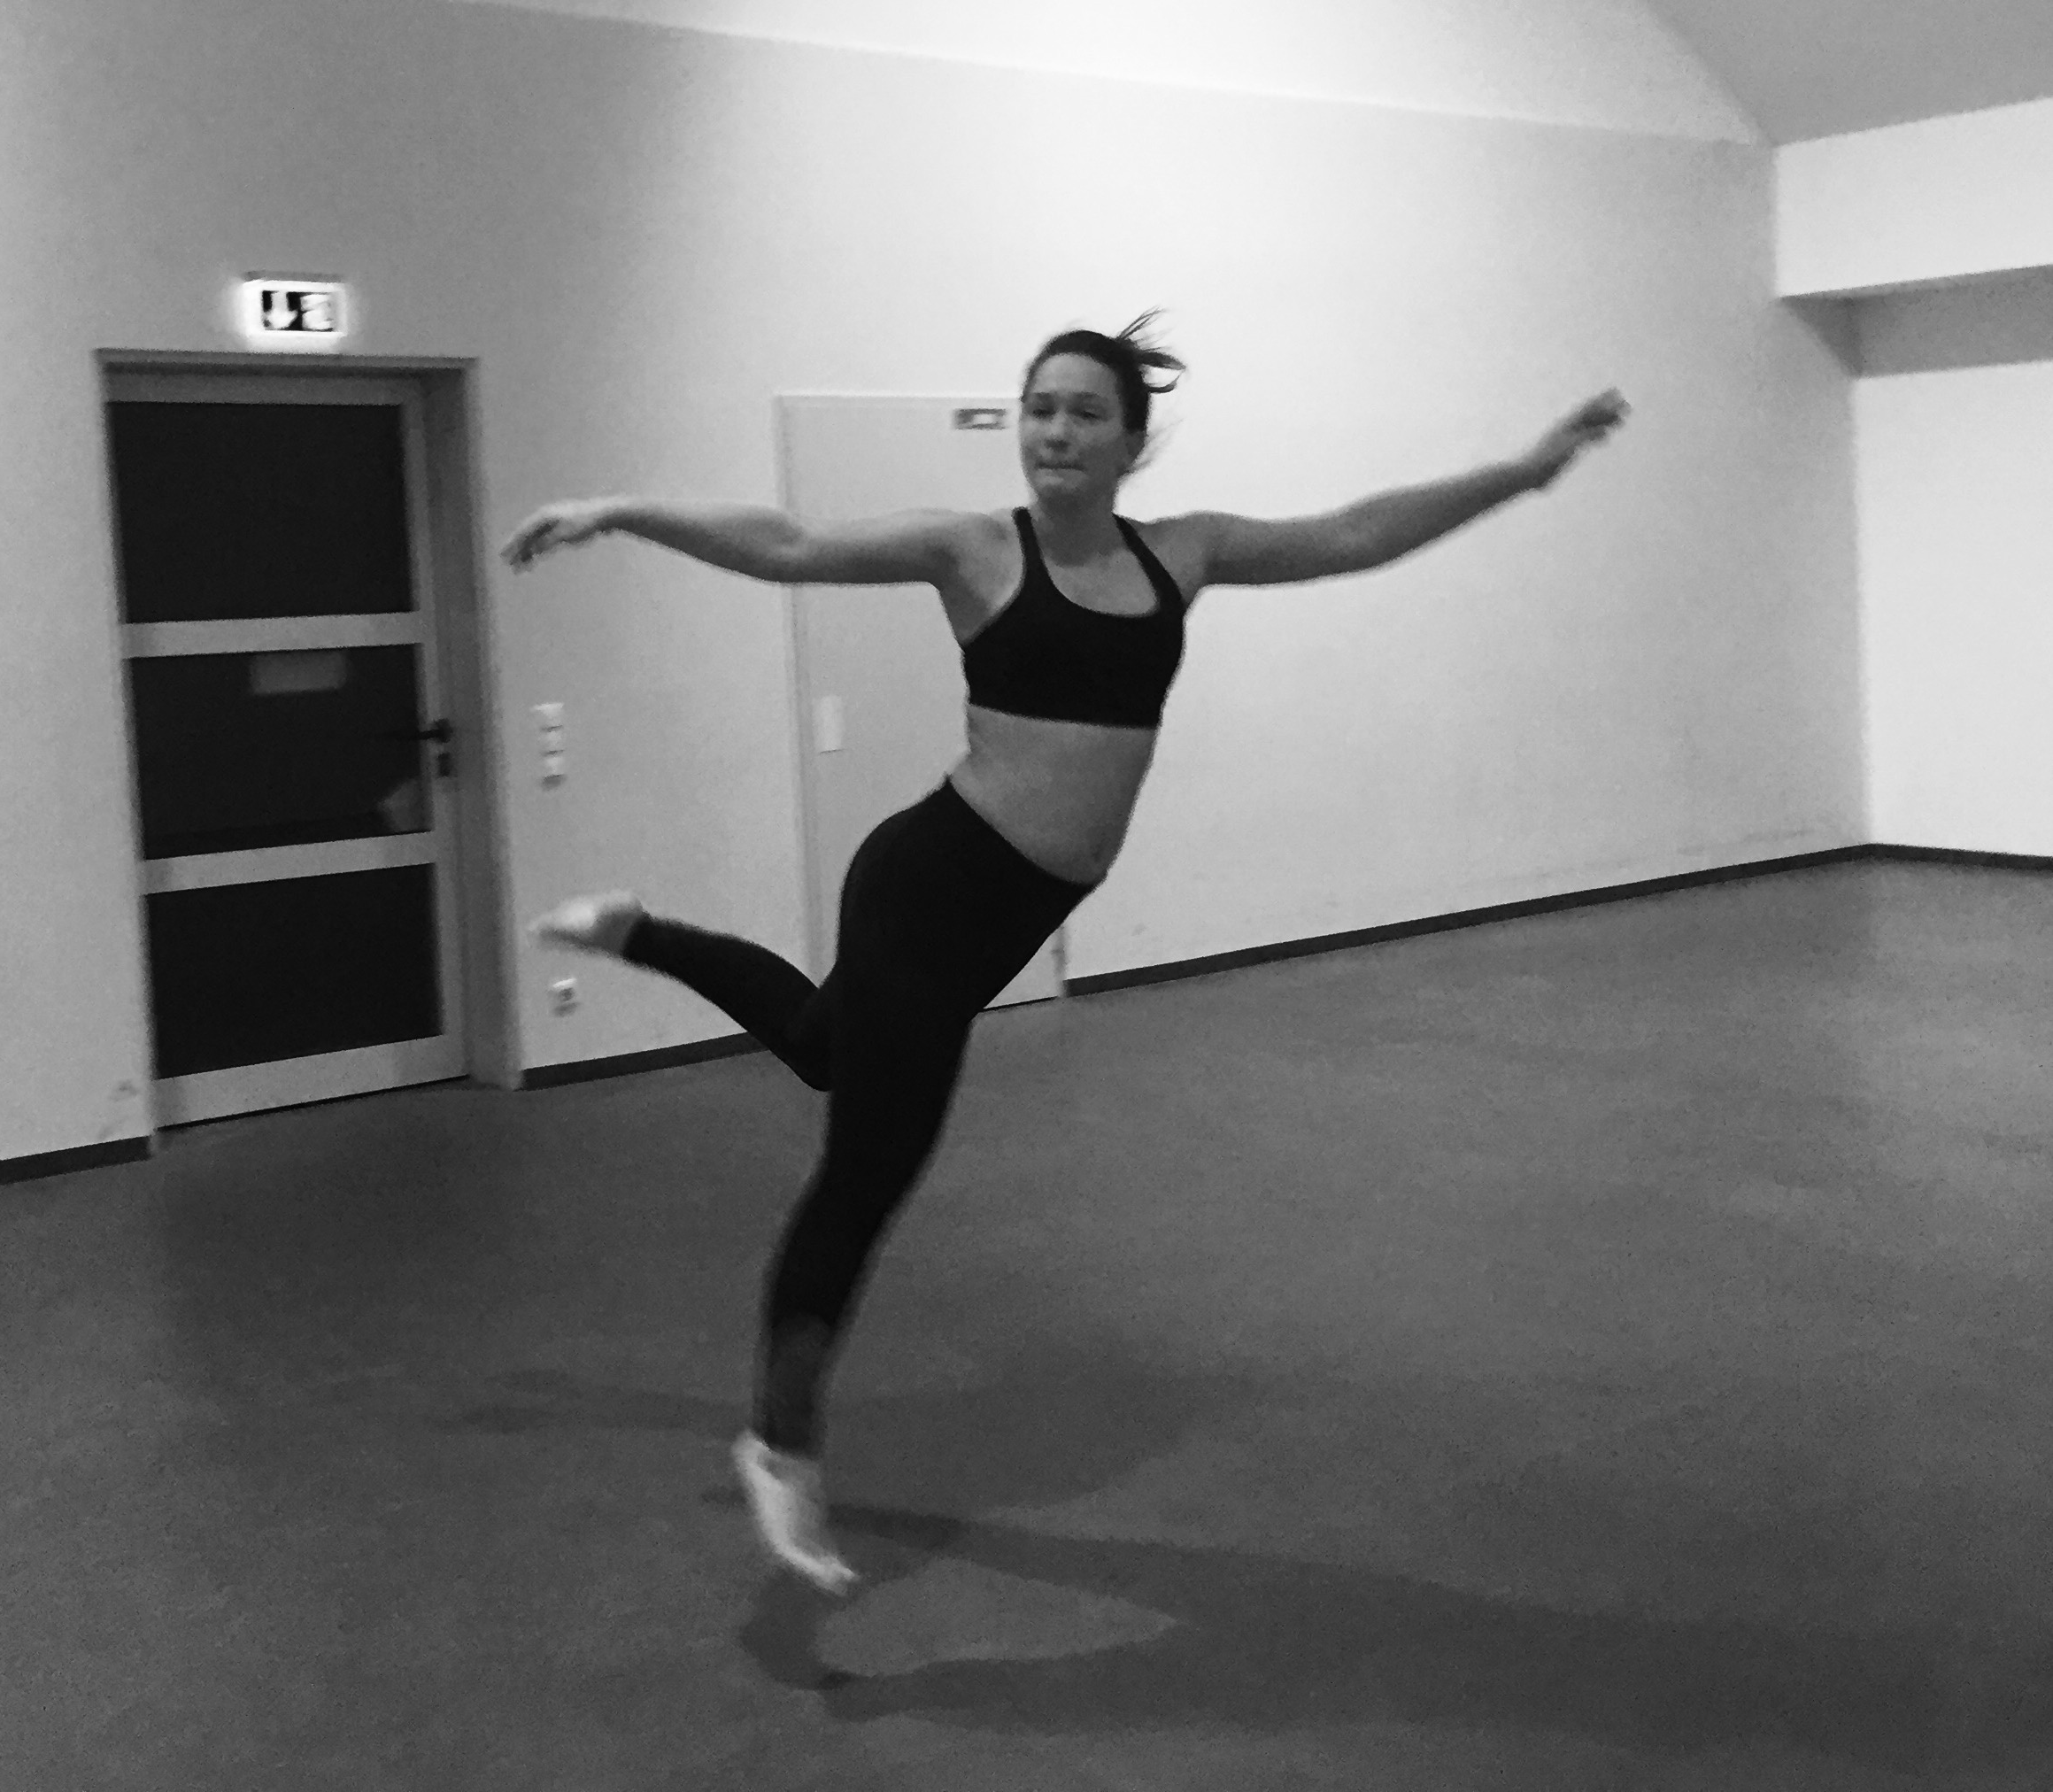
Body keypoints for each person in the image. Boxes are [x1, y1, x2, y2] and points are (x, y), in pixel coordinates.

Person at [501, 314, 1628, 1595]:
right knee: (867, 1170)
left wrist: (1523, 472)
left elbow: (1353, 533)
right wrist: (621, 511)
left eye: (1086, 412)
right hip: (930, 887)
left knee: (823, 1047)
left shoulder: (1184, 554)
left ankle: (634, 929)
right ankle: (780, 1442)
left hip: (1012, 913)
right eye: (1040, 407)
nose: (1056, 431)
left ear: (1131, 441)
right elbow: (791, 545)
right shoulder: (976, 550)